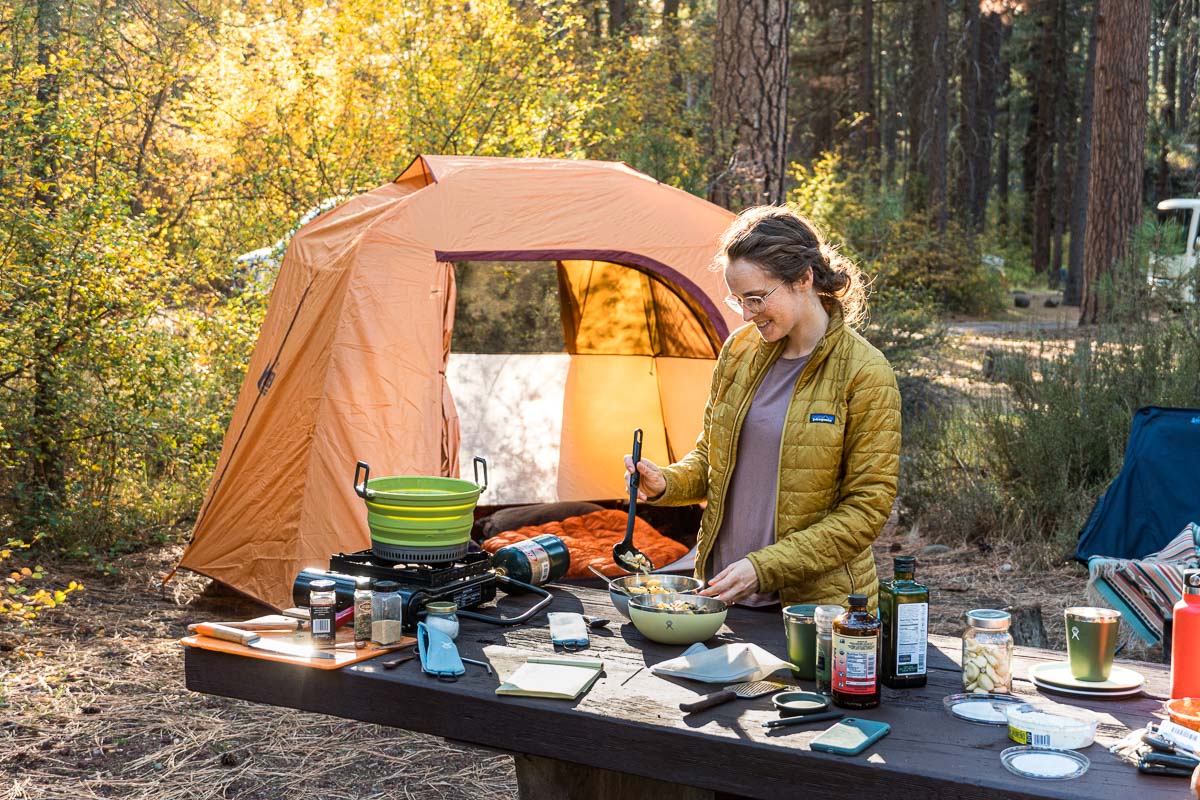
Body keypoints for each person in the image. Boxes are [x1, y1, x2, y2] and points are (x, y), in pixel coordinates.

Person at [624, 205, 901, 609]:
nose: (748, 314)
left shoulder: (865, 372)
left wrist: (763, 567)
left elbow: (865, 511)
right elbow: (711, 458)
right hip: (721, 594)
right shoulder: (739, 350)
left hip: (814, 610)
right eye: (738, 301)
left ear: (803, 279)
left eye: (756, 298)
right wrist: (665, 483)